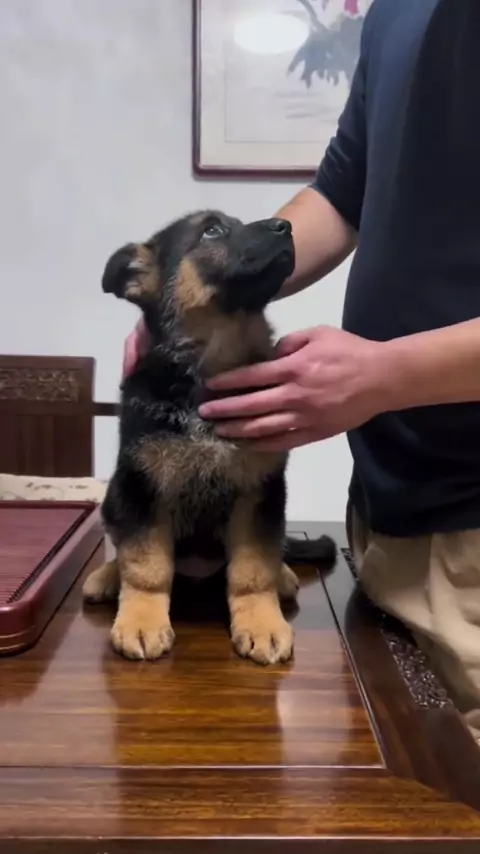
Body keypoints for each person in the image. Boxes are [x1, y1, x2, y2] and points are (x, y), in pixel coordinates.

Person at [122, 0, 480, 741]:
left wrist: (388, 375)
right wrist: (189, 303)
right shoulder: (395, 13)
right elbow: (338, 195)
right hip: (384, 519)